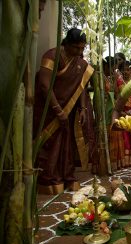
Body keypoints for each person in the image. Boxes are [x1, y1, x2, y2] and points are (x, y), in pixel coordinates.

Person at [34, 28, 95, 194]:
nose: (79, 52)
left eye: (82, 48)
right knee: (49, 144)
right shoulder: (52, 56)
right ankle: (48, 179)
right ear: (67, 43)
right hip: (48, 109)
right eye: (76, 48)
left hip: (67, 110)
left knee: (65, 144)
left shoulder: (80, 63)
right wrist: (57, 110)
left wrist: (82, 108)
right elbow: (44, 85)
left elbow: (80, 87)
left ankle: (65, 176)